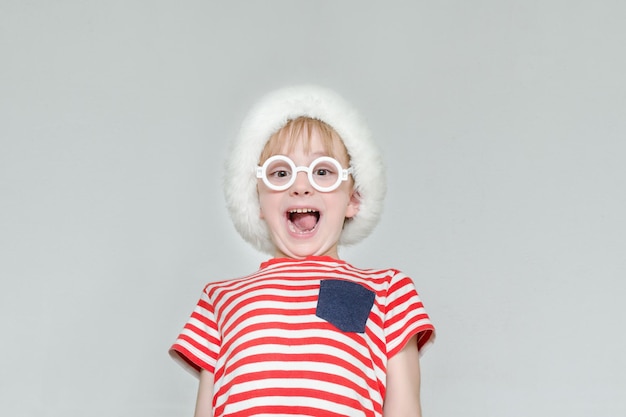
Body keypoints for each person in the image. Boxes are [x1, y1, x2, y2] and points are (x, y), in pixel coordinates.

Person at [169, 85, 436, 417]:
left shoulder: (388, 293)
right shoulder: (220, 299)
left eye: (322, 171)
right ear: (257, 201)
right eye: (280, 173)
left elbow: (405, 409)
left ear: (354, 199)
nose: (300, 185)